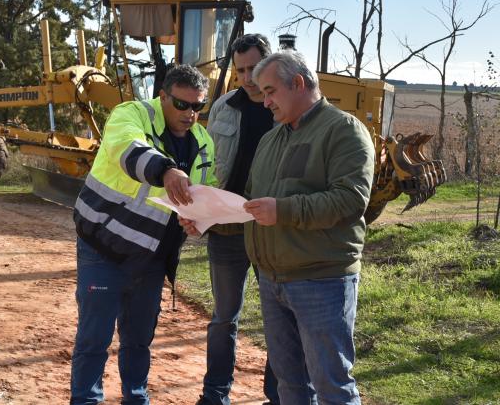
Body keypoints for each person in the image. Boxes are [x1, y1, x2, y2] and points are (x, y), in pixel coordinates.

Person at [70, 64, 218, 405]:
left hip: (151, 258)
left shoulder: (203, 142)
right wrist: (165, 170)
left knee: (139, 340)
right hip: (103, 249)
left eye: (198, 106)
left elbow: (200, 193)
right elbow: (127, 147)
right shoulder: (132, 114)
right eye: (182, 104)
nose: (190, 114)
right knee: (94, 338)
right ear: (162, 96)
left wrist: (197, 219)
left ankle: (136, 399)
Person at [242, 50, 374, 404]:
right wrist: (208, 215)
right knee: (290, 386)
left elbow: (349, 201)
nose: (265, 102)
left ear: (298, 83)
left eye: (270, 91)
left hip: (322, 280)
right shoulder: (270, 139)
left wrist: (282, 211)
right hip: (272, 280)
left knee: (332, 386)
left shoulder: (344, 131)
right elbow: (252, 202)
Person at [188, 34, 281, 405]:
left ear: (268, 64)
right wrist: (198, 210)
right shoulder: (224, 106)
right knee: (224, 318)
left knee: (278, 320)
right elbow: (206, 166)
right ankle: (215, 395)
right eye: (240, 69)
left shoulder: (285, 109)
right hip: (227, 230)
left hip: (272, 231)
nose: (246, 76)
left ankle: (278, 395)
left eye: (252, 69)